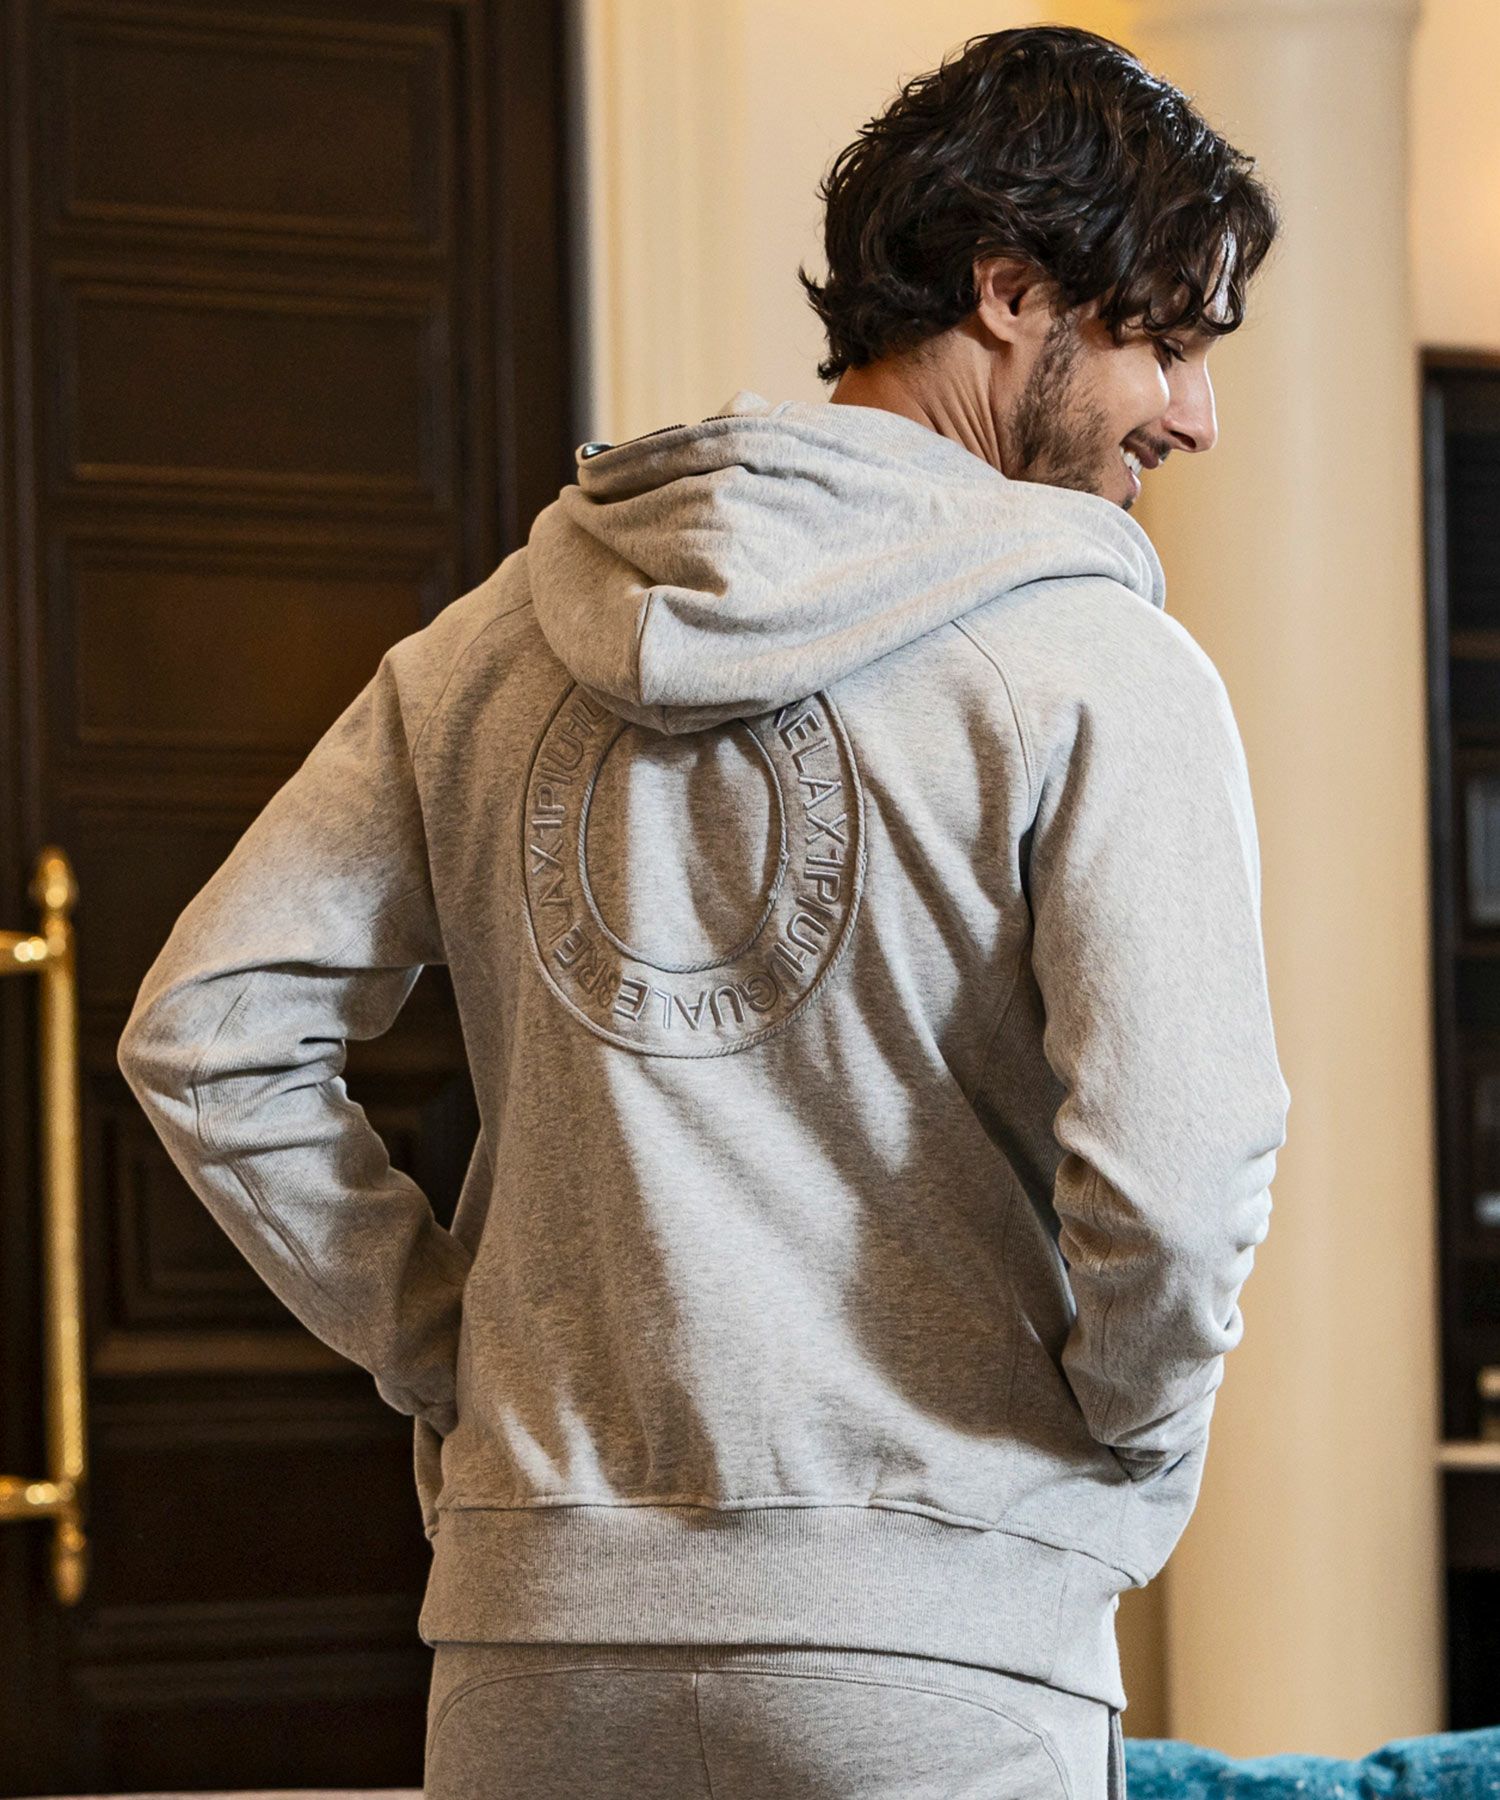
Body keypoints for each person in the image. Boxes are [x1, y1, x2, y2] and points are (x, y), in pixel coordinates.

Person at [116, 22, 1291, 1799]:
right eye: (1171, 344)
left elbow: (207, 1035)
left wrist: (462, 1356)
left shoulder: (489, 642)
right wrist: (1104, 1465)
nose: (1196, 415)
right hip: (934, 1645)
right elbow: (1180, 1185)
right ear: (1007, 292)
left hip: (535, 1647)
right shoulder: (1101, 666)